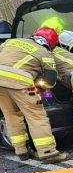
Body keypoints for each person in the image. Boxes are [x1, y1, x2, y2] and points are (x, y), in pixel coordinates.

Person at [0, 27, 68, 161]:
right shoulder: (44, 52)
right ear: (50, 43)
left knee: (11, 115)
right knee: (37, 117)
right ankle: (48, 153)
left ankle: (22, 151)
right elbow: (51, 79)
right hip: (20, 83)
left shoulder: (10, 42)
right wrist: (43, 88)